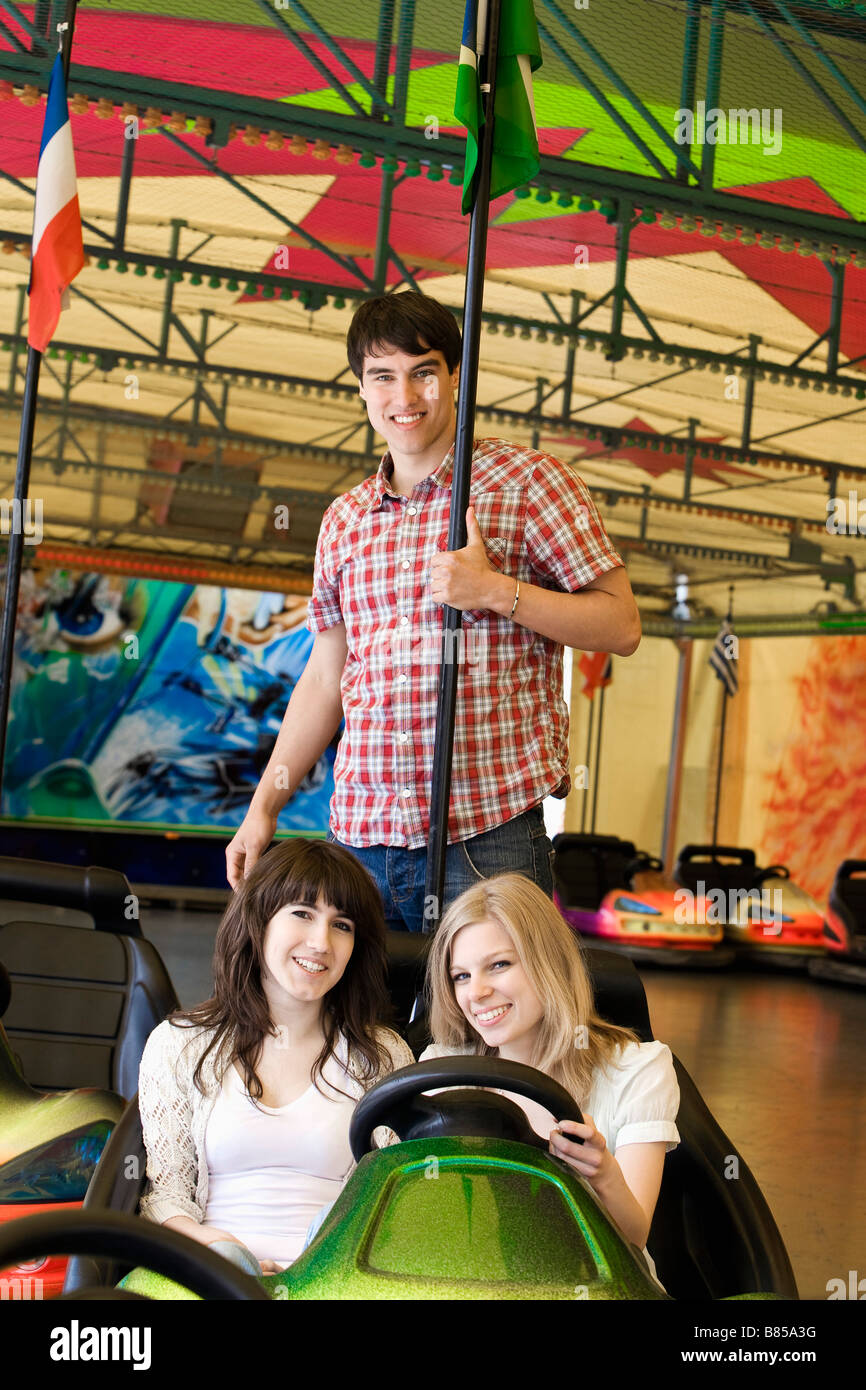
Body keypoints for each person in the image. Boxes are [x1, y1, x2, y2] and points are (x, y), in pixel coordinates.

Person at [226, 291, 641, 929]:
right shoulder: (344, 521)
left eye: (423, 371)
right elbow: (324, 677)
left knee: (485, 1029)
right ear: (361, 389)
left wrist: (496, 591)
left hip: (488, 834)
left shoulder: (527, 482)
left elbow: (621, 625)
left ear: (454, 377)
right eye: (382, 377)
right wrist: (263, 809)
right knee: (366, 1030)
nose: (404, 397)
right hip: (361, 839)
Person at [137, 838, 413, 1275]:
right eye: (302, 914)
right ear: (258, 922)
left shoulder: (382, 1056)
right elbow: (164, 1196)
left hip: (336, 1273)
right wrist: (214, 1248)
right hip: (208, 1273)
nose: (321, 942)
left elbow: (390, 1200)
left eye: (341, 925)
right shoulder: (179, 1044)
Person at [419, 872, 680, 1288]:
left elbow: (634, 1238)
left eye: (499, 965)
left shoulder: (637, 1070)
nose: (477, 992)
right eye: (461, 976)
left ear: (549, 963)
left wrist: (604, 1175)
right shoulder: (442, 1067)